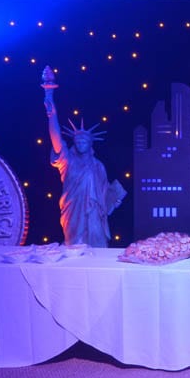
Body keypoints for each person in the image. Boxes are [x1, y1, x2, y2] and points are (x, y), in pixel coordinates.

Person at [42, 68, 125, 247]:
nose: (80, 143)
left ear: (90, 143)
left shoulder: (98, 165)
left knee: (97, 245)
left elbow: (104, 191)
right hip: (73, 210)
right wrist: (50, 105)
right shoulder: (67, 161)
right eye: (77, 140)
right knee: (74, 248)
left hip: (94, 212)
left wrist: (114, 198)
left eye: (84, 140)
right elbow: (56, 138)